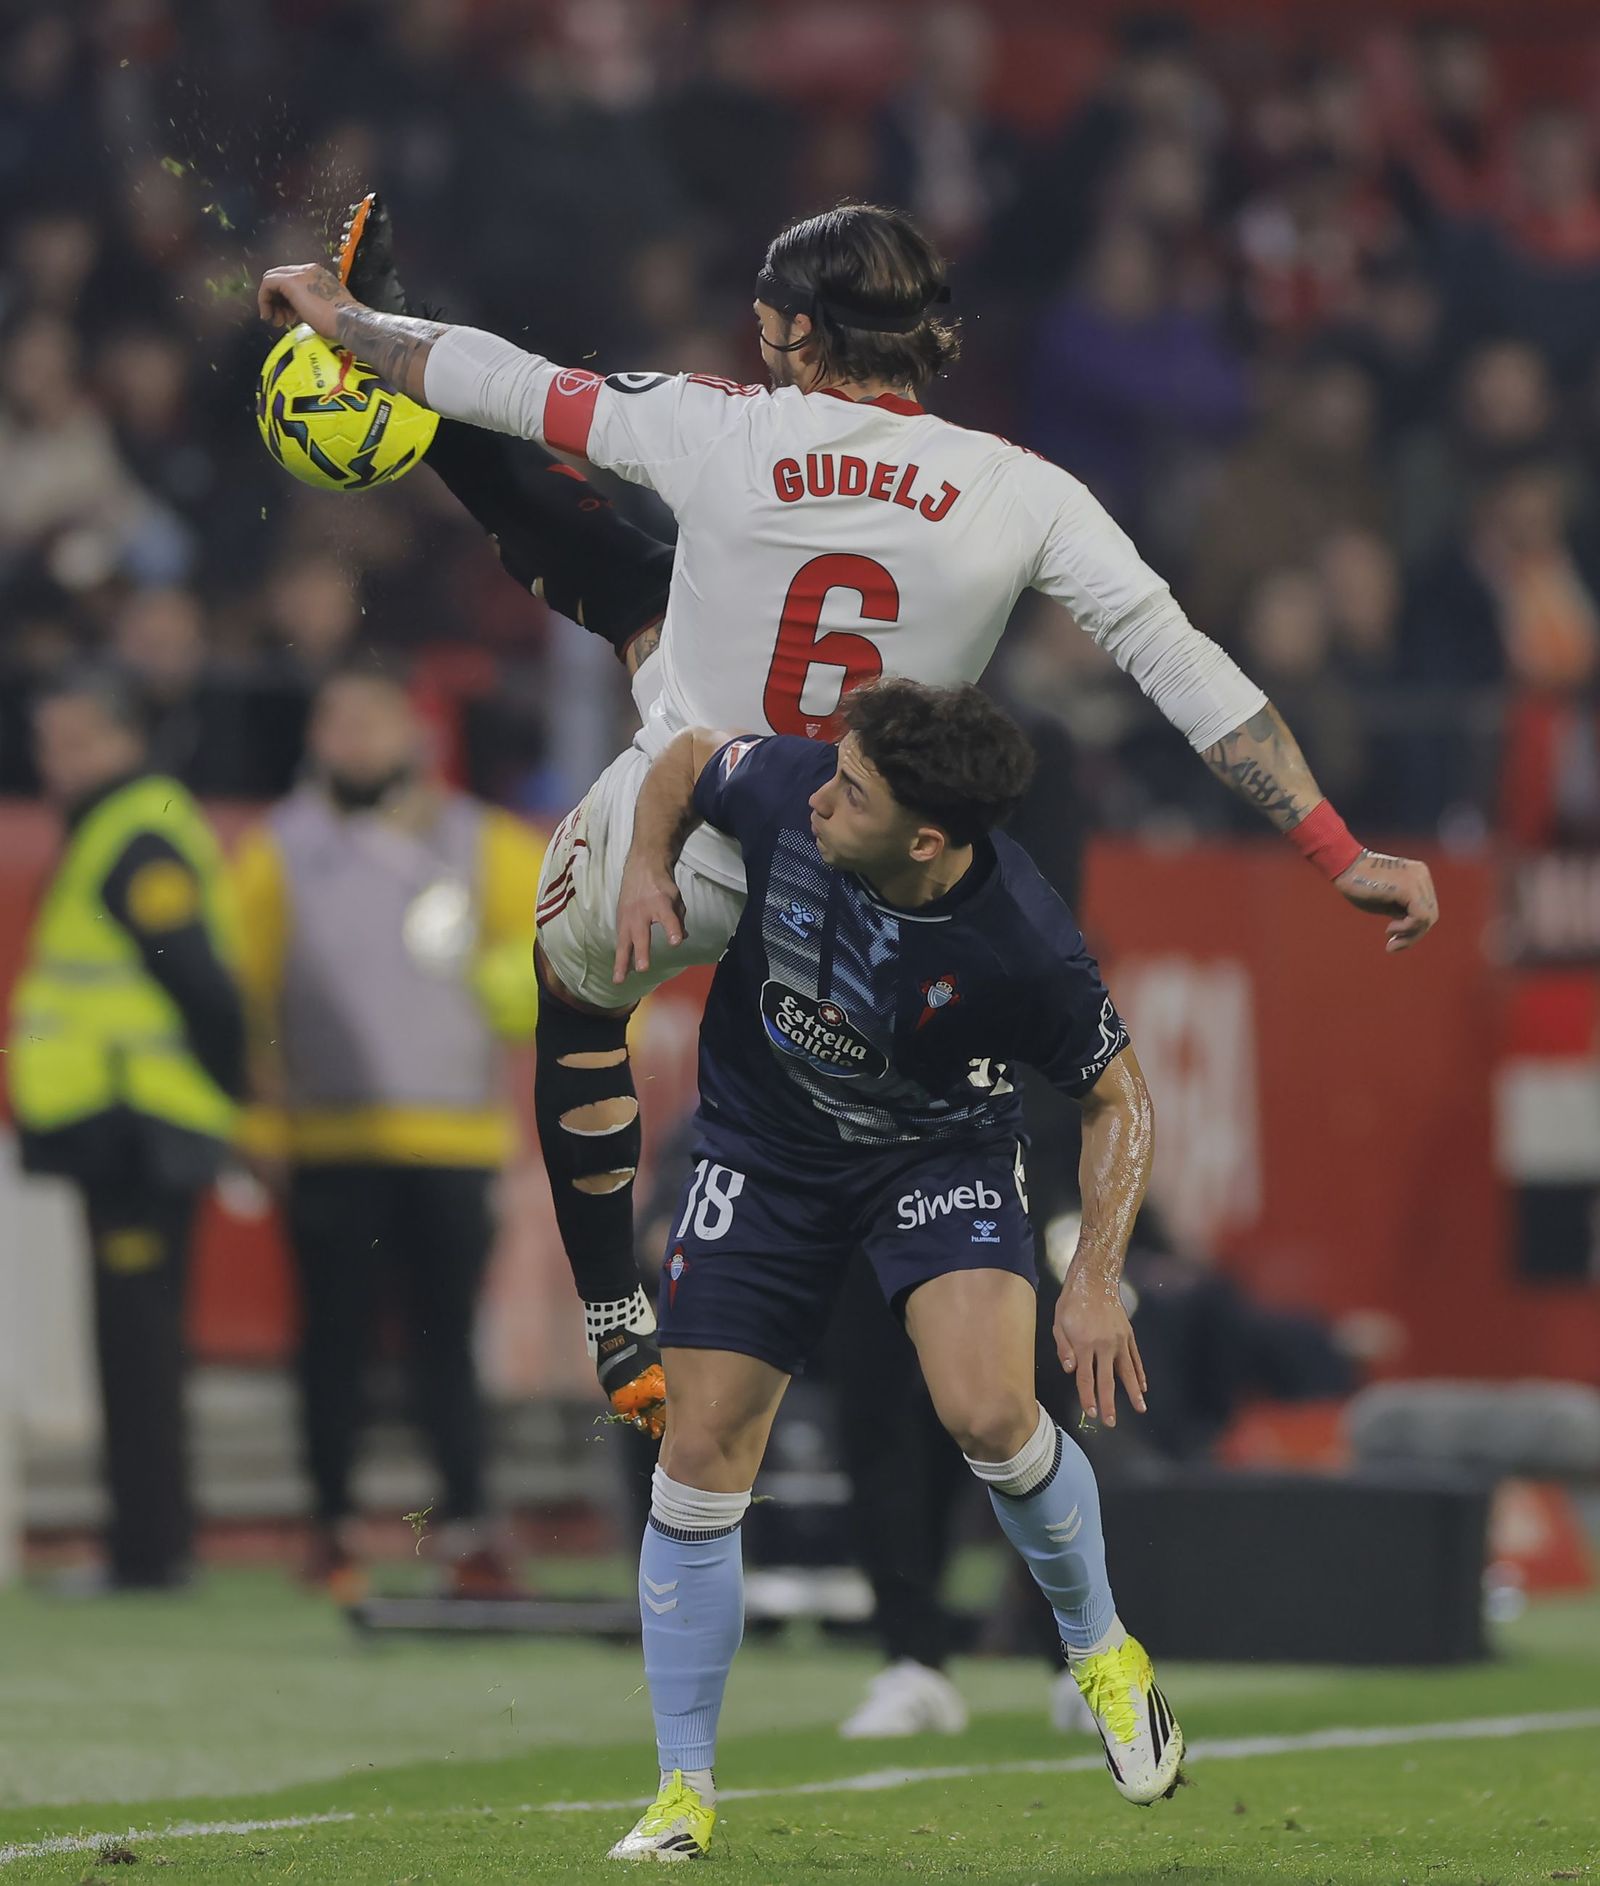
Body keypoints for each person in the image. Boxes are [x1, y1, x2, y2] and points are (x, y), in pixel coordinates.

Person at [257, 198, 1438, 1450]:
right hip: (870, 873)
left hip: (704, 819)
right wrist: (1339, 849)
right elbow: (1191, 674)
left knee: (575, 986)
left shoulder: (720, 426)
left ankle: (613, 1305)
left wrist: (357, 325)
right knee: (637, 585)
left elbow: (513, 385)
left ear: (794, 330)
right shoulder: (1026, 492)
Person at [590, 678, 1172, 1859]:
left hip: (933, 1154)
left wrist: (1096, 1274)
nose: (821, 794)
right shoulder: (790, 783)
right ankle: (682, 1789)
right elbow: (687, 756)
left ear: (925, 839)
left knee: (991, 1411)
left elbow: (1119, 1095)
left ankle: (1103, 1648)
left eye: (851, 789)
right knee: (698, 1450)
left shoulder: (1022, 940)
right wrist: (649, 867)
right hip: (762, 1150)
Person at [230, 663, 544, 1600]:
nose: (355, 740)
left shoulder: (483, 842)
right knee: (334, 1345)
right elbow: (244, 994)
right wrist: (259, 1114)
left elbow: (552, 958)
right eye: (338, 722)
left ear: (416, 733)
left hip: (452, 1139)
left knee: (448, 1345)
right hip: (331, 1138)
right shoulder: (275, 851)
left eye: (373, 721)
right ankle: (332, 1529)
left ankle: (470, 1528)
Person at [6, 666, 245, 1590]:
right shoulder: (127, 828)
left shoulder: (134, 837)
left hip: (136, 1124)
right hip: (134, 1123)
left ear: (120, 740)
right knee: (136, 1340)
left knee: (137, 1346)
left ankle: (147, 1553)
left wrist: (223, 1099)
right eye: (46, 743)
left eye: (71, 741)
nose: (52, 762)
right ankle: (150, 1544)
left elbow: (205, 988)